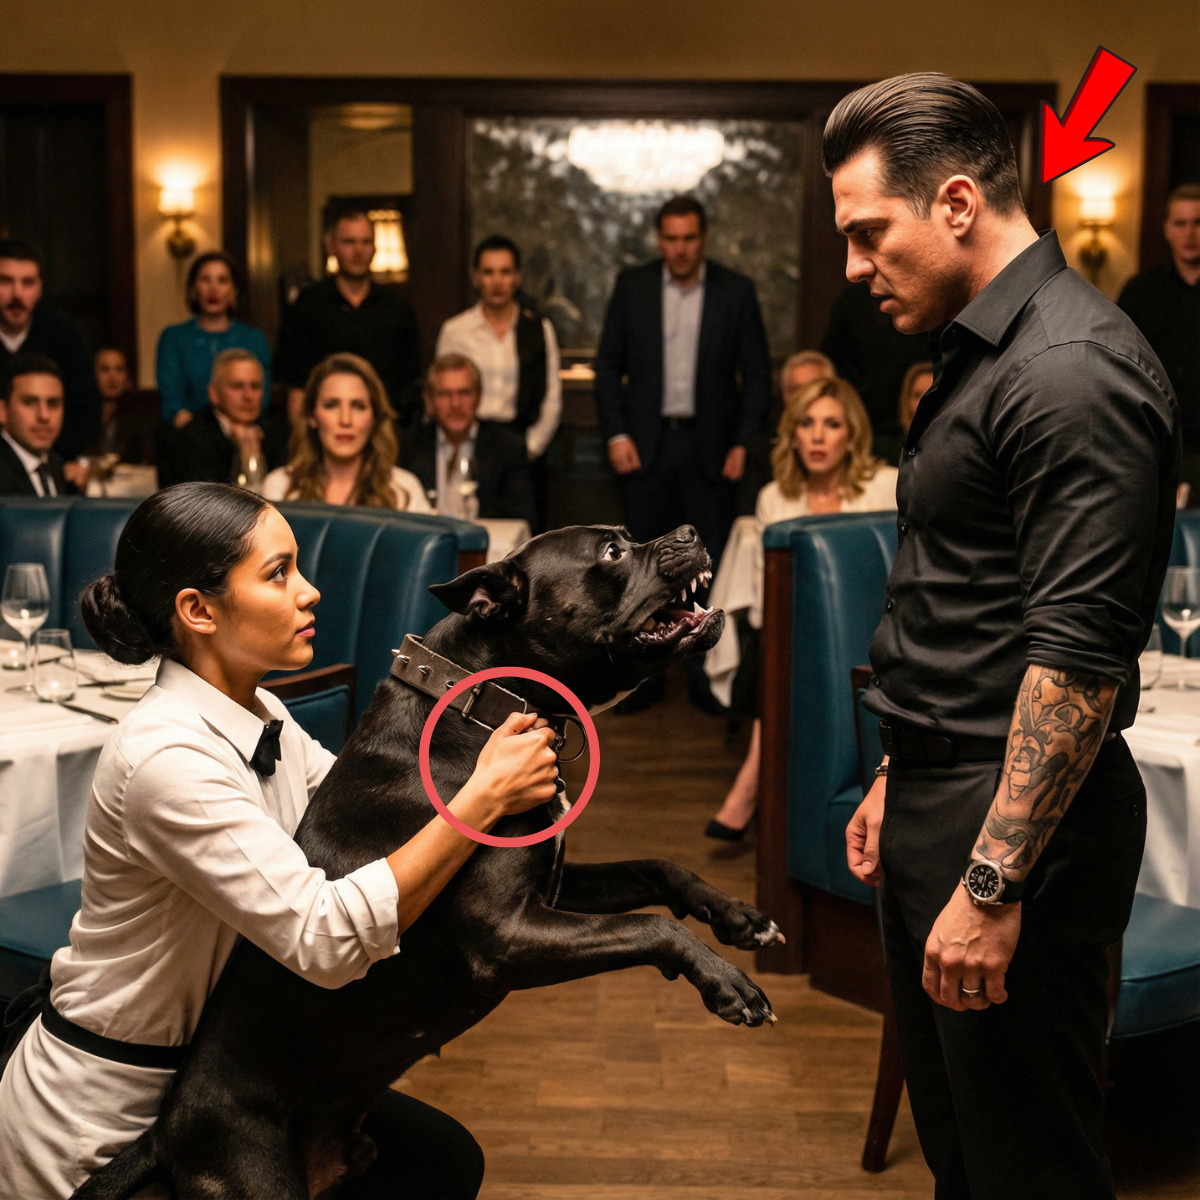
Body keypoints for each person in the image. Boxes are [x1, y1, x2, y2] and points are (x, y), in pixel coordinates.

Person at [0, 481, 559, 1196]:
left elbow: (361, 822)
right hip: (109, 1114)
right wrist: (481, 800)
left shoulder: (261, 712)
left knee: (440, 1159)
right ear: (198, 610)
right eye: (278, 573)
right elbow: (324, 939)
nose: (310, 591)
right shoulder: (164, 758)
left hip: (226, 1083)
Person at [827, 74, 1178, 1198]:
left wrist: (989, 883)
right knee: (967, 1161)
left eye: (869, 234)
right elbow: (968, 596)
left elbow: (1074, 662)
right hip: (947, 794)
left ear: (958, 204)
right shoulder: (983, 344)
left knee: (1031, 1171)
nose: (854, 266)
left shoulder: (1069, 371)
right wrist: (903, 767)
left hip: (1017, 831)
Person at [595, 194, 771, 710]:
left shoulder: (735, 291)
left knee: (705, 565)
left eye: (689, 238)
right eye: (670, 239)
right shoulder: (633, 286)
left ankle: (704, 682)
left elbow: (757, 374)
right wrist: (616, 435)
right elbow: (607, 366)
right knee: (640, 570)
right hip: (645, 449)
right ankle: (639, 681)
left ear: (704, 238)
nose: (679, 248)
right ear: (659, 239)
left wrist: (742, 442)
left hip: (711, 450)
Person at [706, 377, 897, 840]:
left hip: (876, 631)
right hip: (800, 635)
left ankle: (751, 785)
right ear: (792, 435)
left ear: (852, 435)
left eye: (832, 425)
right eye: (807, 424)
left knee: (774, 655)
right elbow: (770, 596)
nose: (817, 436)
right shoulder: (775, 497)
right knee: (769, 646)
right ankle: (769, 802)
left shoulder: (886, 485)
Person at [435, 235, 562, 529]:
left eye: (505, 272)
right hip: (471, 440)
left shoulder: (538, 328)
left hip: (520, 442)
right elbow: (441, 390)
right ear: (475, 277)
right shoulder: (456, 330)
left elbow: (552, 399)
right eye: (488, 272)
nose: (497, 281)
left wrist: (529, 449)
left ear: (517, 276)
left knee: (526, 536)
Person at [276, 208, 421, 427]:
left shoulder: (398, 309)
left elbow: (410, 384)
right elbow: (296, 384)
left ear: (375, 248)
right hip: (325, 429)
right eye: (349, 242)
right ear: (331, 247)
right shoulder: (307, 306)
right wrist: (302, 438)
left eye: (366, 242)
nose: (358, 251)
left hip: (385, 428)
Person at [263, 352, 432, 512]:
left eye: (358, 406)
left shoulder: (403, 490)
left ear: (374, 417)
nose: (345, 420)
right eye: (331, 405)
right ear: (312, 416)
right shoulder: (281, 487)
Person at [1118, 182, 1200, 494]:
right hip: (1156, 439)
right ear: (1166, 229)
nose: (1189, 234)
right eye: (1180, 223)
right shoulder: (1141, 292)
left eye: (1198, 223)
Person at [400, 354, 538, 529]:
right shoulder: (409, 445)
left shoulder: (508, 447)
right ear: (429, 399)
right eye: (444, 394)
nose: (455, 404)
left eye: (464, 393)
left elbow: (521, 518)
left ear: (479, 397)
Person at [0, 239, 100, 461]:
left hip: (52, 461)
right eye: (5, 281)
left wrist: (65, 461)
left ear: (40, 288)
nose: (17, 294)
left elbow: (85, 404)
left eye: (27, 282)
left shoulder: (63, 331)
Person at [155, 251, 272, 429]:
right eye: (205, 280)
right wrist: (206, 435)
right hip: (189, 433)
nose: (213, 289)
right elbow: (172, 402)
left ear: (234, 291)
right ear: (193, 290)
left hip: (244, 429)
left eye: (222, 280)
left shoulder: (252, 338)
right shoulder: (174, 338)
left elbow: (261, 398)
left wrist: (235, 431)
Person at [820, 278, 935, 459]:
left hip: (915, 421)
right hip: (860, 420)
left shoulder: (920, 295)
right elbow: (834, 363)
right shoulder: (852, 301)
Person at [157, 349, 286, 490]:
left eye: (255, 386)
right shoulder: (187, 439)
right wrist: (240, 454)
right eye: (237, 386)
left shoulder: (279, 435)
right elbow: (201, 497)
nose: (248, 396)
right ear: (213, 393)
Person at [736, 350, 838, 515]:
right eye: (797, 389)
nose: (806, 397)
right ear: (784, 397)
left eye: (815, 387)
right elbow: (748, 519)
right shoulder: (761, 451)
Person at [0, 353, 68, 497]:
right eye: (29, 402)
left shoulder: (54, 464)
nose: (44, 416)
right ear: (3, 410)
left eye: (53, 404)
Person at [90, 347, 148, 465]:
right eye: (105, 369)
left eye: (119, 369)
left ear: (127, 376)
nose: (113, 377)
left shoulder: (140, 415)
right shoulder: (80, 414)